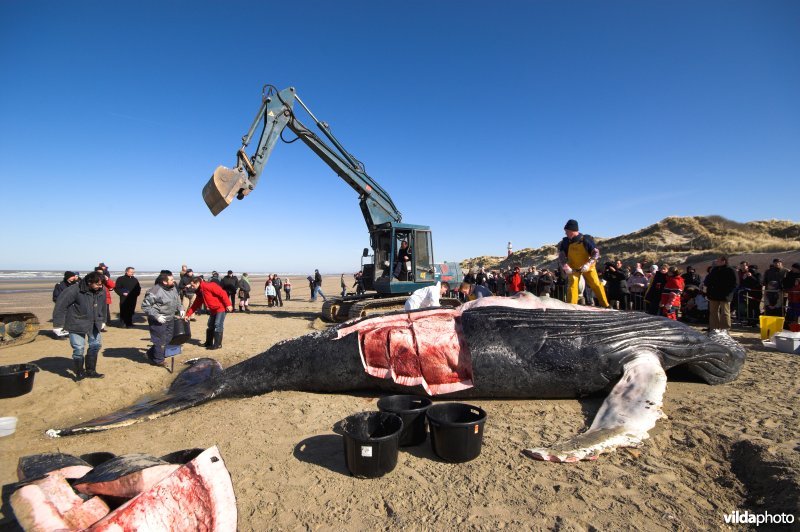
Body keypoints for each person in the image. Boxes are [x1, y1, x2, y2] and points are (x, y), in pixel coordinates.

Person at [52, 271, 107, 380]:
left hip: (94, 323)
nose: (100, 286)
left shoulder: (101, 290)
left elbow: (103, 306)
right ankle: (79, 373)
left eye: (101, 284)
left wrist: (103, 320)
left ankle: (91, 371)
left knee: (95, 346)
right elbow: (60, 305)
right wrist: (58, 325)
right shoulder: (74, 290)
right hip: (76, 322)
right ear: (89, 282)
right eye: (98, 284)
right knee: (79, 348)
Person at [557, 219, 609, 307]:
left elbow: (596, 253)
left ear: (572, 231)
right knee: (572, 285)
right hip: (573, 267)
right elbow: (561, 257)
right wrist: (566, 267)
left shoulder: (586, 239)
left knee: (596, 284)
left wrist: (588, 264)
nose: (565, 233)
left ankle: (605, 304)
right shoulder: (565, 242)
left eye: (566, 231)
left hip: (588, 266)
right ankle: (571, 306)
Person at [140, 272, 184, 367]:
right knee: (159, 340)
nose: (174, 281)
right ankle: (158, 360)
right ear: (164, 282)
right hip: (158, 320)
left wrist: (181, 309)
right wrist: (156, 316)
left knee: (168, 339)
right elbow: (145, 306)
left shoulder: (173, 288)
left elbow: (177, 300)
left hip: (170, 318)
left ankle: (150, 354)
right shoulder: (154, 291)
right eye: (171, 280)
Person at [185, 276, 232, 350]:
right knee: (210, 325)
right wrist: (188, 314)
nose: (191, 287)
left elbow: (222, 293)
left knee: (217, 324)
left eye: (192, 285)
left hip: (221, 308)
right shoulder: (200, 291)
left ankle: (217, 344)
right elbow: (195, 304)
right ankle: (208, 342)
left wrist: (228, 304)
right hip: (213, 310)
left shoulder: (209, 286)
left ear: (197, 283)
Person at [704, 256, 738, 334]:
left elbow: (735, 283)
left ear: (724, 261)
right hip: (713, 294)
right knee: (713, 312)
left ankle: (725, 328)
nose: (717, 262)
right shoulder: (714, 270)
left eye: (718, 261)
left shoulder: (731, 270)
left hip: (725, 295)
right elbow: (708, 281)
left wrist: (729, 293)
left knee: (725, 312)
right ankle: (714, 328)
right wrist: (708, 292)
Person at [94, 266, 115, 331]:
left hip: (105, 298)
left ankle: (103, 325)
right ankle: (97, 325)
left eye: (101, 273)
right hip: (96, 298)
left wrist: (107, 279)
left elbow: (112, 285)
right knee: (97, 312)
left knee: (105, 311)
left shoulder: (104, 279)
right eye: (99, 273)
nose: (100, 274)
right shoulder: (93, 279)